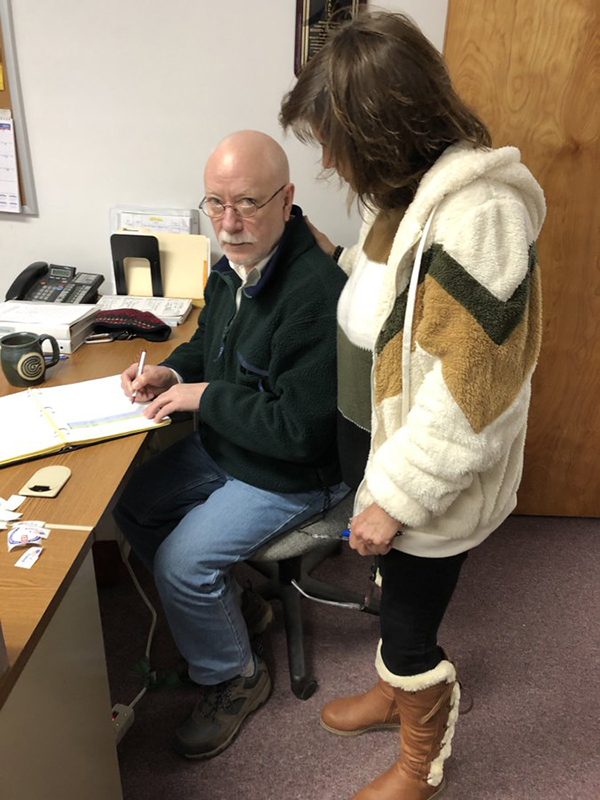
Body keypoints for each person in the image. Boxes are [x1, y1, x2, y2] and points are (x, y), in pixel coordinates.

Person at [280, 11, 545, 800]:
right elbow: (393, 299)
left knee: (409, 624)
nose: (327, 158)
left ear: (384, 130)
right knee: (391, 592)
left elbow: (473, 396)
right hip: (380, 441)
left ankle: (420, 752)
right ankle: (395, 690)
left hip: (425, 471)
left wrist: (394, 496)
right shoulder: (405, 191)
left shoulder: (479, 218)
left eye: (335, 140)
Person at [113, 130, 347, 760]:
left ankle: (236, 679)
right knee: (133, 506)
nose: (229, 221)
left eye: (245, 202)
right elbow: (209, 348)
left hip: (291, 471)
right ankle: (234, 608)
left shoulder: (313, 293)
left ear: (287, 199)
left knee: (181, 565)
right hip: (230, 445)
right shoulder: (234, 265)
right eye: (214, 204)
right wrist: (174, 374)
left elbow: (301, 433)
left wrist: (205, 399)